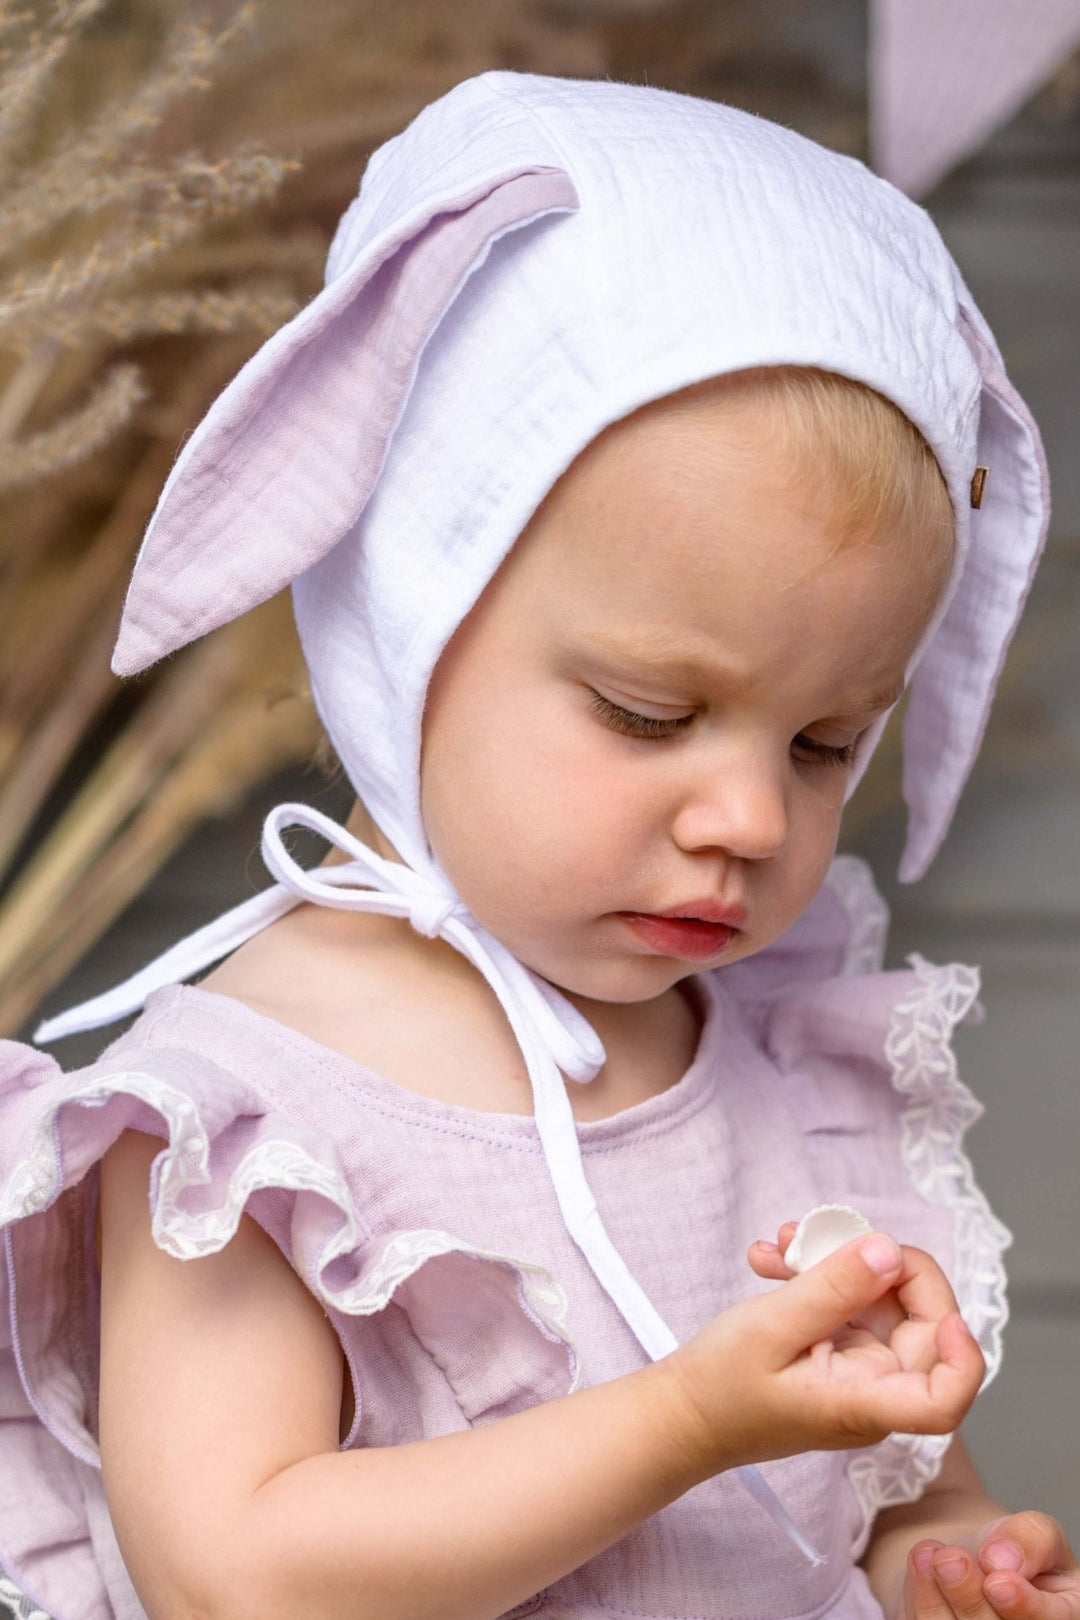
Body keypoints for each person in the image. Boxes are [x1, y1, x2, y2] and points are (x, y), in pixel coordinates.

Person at [0, 70, 1074, 1620]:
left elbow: (882, 1498)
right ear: (411, 618)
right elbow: (237, 1575)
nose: (752, 818)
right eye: (648, 713)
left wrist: (944, 1570)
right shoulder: (243, 1122)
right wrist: (689, 1422)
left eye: (827, 742)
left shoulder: (776, 1058)